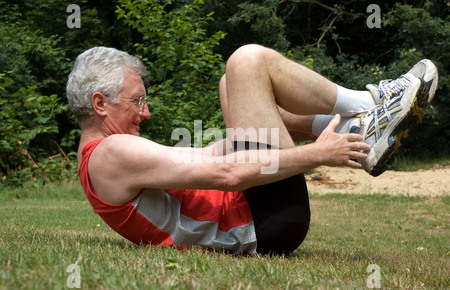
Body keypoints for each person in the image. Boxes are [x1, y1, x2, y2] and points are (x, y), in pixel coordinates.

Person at [66, 45, 438, 256]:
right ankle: (367, 106)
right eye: (137, 100)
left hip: (260, 214)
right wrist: (318, 155)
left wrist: (256, 131)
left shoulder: (105, 156)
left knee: (235, 85)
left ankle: (356, 125)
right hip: (261, 224)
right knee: (247, 62)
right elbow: (227, 174)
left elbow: (209, 156)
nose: (145, 111)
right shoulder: (112, 154)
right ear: (100, 103)